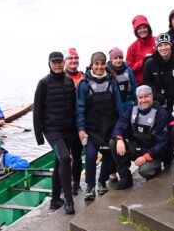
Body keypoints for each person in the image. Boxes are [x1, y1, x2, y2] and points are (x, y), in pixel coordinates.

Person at [34, 51, 78, 214]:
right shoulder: (43, 83)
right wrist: (39, 135)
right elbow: (37, 110)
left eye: (60, 61)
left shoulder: (68, 81)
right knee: (66, 158)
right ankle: (68, 199)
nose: (58, 64)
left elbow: (73, 108)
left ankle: (54, 200)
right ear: (49, 64)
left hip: (68, 129)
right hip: (52, 130)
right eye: (55, 62)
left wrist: (77, 130)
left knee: (59, 162)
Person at [76, 51, 123, 199]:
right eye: (96, 64)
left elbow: (119, 106)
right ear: (91, 65)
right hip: (92, 129)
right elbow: (80, 108)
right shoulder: (84, 84)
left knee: (108, 155)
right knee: (90, 156)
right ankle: (90, 186)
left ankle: (102, 181)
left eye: (102, 64)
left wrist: (121, 128)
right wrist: (81, 128)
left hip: (109, 128)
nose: (100, 67)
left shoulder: (112, 82)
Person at [110, 84, 171, 189]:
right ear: (137, 98)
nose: (143, 100)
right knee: (113, 142)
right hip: (136, 146)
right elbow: (121, 124)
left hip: (152, 151)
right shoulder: (132, 109)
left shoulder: (162, 114)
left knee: (144, 171)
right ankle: (125, 177)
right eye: (140, 97)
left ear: (152, 96)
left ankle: (155, 170)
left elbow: (163, 142)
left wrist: (146, 157)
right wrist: (119, 139)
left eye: (146, 96)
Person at [142, 33, 174, 114]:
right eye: (160, 45)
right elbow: (147, 82)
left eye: (166, 44)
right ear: (156, 48)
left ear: (171, 45)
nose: (163, 48)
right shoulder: (150, 63)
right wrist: (158, 97)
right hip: (159, 101)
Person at [64, 48, 84, 195]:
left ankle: (76, 183)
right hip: (64, 123)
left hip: (79, 122)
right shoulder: (60, 77)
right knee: (64, 157)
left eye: (76, 58)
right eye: (70, 58)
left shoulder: (84, 76)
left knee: (77, 154)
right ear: (65, 61)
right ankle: (63, 185)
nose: (74, 60)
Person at [126, 15, 156, 85]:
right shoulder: (132, 47)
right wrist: (142, 62)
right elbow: (128, 69)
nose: (142, 30)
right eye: (139, 28)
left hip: (158, 82)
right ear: (136, 31)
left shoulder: (157, 41)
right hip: (141, 85)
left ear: (148, 28)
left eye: (144, 27)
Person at [107, 47, 137, 115]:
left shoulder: (128, 70)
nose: (118, 60)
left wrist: (135, 102)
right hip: (113, 106)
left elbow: (134, 87)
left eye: (120, 58)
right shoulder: (107, 72)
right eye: (115, 58)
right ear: (111, 59)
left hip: (128, 103)